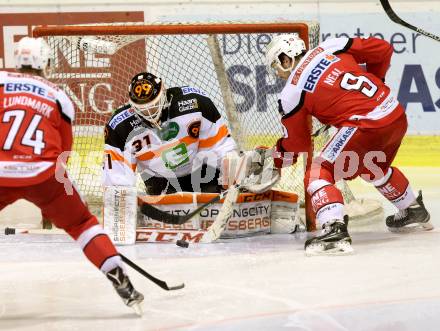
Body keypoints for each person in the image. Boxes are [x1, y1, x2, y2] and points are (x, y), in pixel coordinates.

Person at [0, 37, 143, 313]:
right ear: (47, 63)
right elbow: (64, 150)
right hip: (45, 175)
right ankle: (119, 276)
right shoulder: (58, 96)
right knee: (82, 223)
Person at [264, 34, 432, 255]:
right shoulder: (332, 45)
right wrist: (377, 80)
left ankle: (334, 229)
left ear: (287, 59)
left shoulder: (291, 93)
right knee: (371, 165)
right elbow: (383, 50)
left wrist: (272, 159)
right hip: (394, 112)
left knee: (318, 171)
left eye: (277, 65)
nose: (278, 73)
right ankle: (412, 209)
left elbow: (297, 146)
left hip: (365, 125)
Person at [102, 72, 237, 195]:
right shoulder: (119, 126)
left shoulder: (194, 102)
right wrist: (124, 203)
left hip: (201, 172)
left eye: (153, 104)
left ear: (163, 93)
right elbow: (117, 179)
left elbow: (220, 146)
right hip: (160, 182)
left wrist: (228, 178)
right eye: (143, 109)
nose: (149, 112)